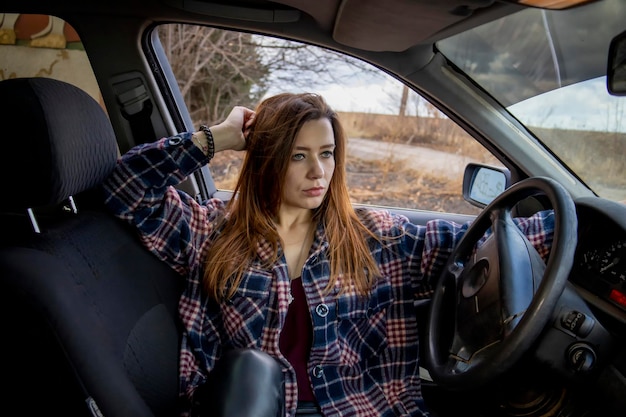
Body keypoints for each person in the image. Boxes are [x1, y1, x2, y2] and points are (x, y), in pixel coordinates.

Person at [102, 92, 555, 417]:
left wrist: (582, 228)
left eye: (326, 153)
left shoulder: (375, 236)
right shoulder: (213, 233)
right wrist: (217, 138)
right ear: (266, 159)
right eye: (297, 156)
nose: (318, 171)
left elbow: (489, 245)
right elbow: (126, 189)